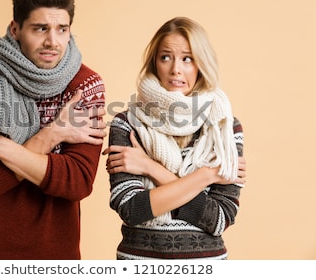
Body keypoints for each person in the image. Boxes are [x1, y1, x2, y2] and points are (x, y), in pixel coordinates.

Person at [0, 0, 106, 260]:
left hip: (57, 254)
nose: (53, 41)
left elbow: (78, 182)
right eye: (40, 28)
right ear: (15, 29)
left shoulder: (86, 85)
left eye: (62, 29)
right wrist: (52, 135)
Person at [102, 17, 246, 260]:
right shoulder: (127, 123)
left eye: (187, 59)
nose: (175, 69)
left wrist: (149, 167)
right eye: (165, 57)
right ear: (154, 62)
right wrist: (208, 176)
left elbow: (219, 219)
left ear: (201, 64)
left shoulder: (225, 127)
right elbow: (132, 210)